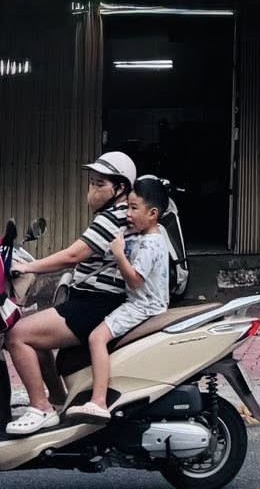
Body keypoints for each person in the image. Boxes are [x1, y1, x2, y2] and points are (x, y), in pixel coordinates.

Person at [4, 152, 136, 435]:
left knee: (17, 335)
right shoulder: (118, 215)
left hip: (96, 304)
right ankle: (57, 399)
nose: (92, 190)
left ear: (120, 188)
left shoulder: (113, 218)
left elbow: (73, 255)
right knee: (35, 337)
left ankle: (41, 408)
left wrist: (28, 267)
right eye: (91, 183)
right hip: (91, 300)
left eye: (100, 184)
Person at [70, 177, 172, 422]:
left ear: (153, 213)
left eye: (134, 208)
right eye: (127, 207)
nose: (128, 214)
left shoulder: (150, 243)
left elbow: (135, 280)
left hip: (142, 306)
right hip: (145, 302)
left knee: (97, 338)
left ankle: (98, 401)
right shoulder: (150, 235)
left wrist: (118, 254)